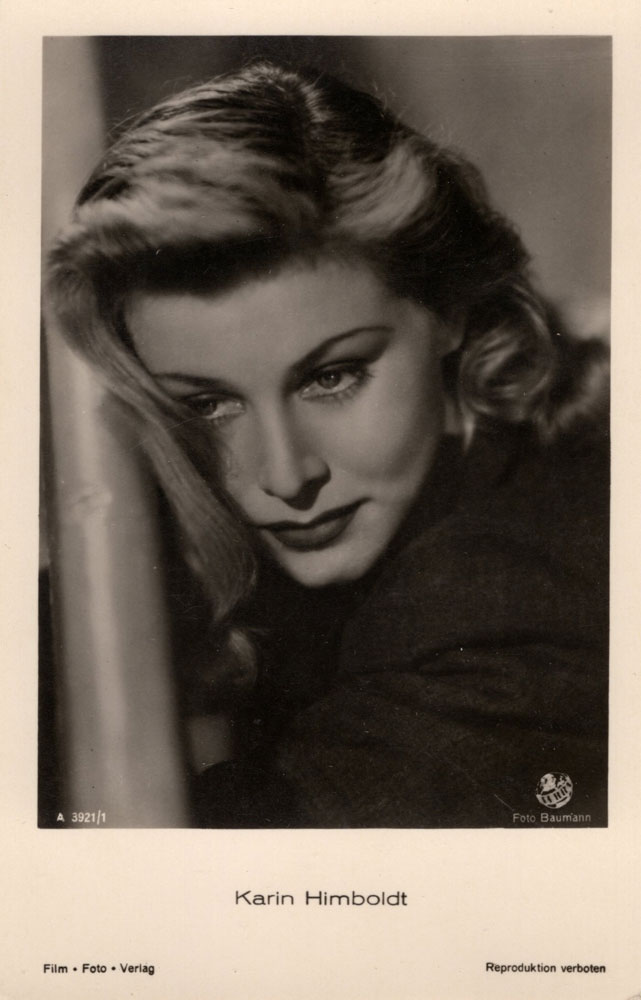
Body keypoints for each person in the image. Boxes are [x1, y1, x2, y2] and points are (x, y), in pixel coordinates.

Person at [46, 60, 609, 828]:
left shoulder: (511, 607)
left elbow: (179, 865)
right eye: (207, 403)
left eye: (332, 377)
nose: (285, 476)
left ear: (448, 311)